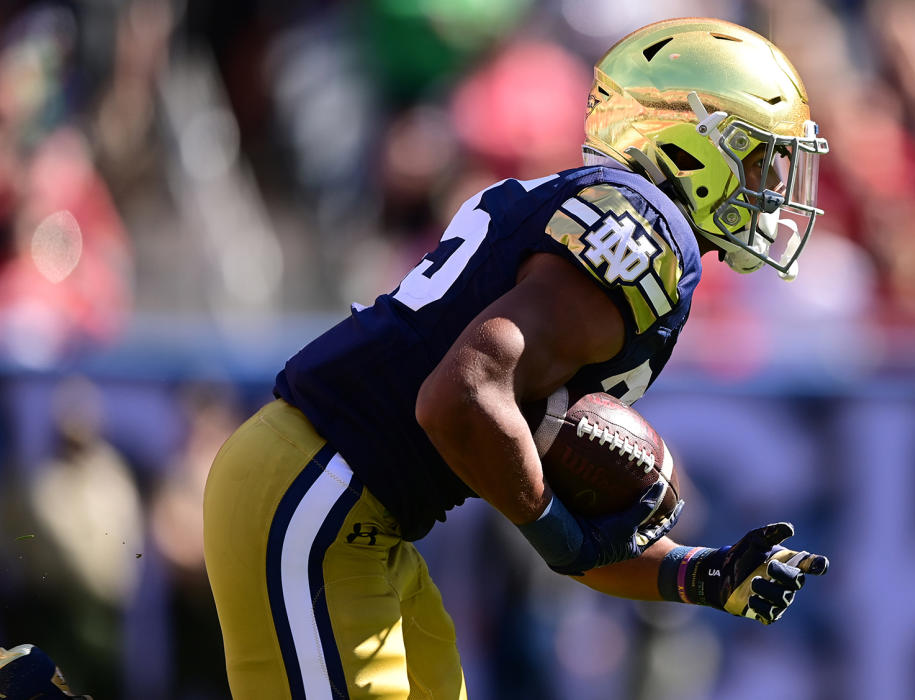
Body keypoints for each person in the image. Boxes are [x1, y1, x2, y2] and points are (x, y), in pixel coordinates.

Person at [203, 17, 831, 699]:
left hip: (359, 512)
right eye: (758, 158)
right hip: (320, 492)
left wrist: (699, 574)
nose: (773, 187)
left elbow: (555, 513)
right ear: (691, 145)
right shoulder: (647, 234)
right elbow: (463, 394)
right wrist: (558, 532)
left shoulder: (613, 217)